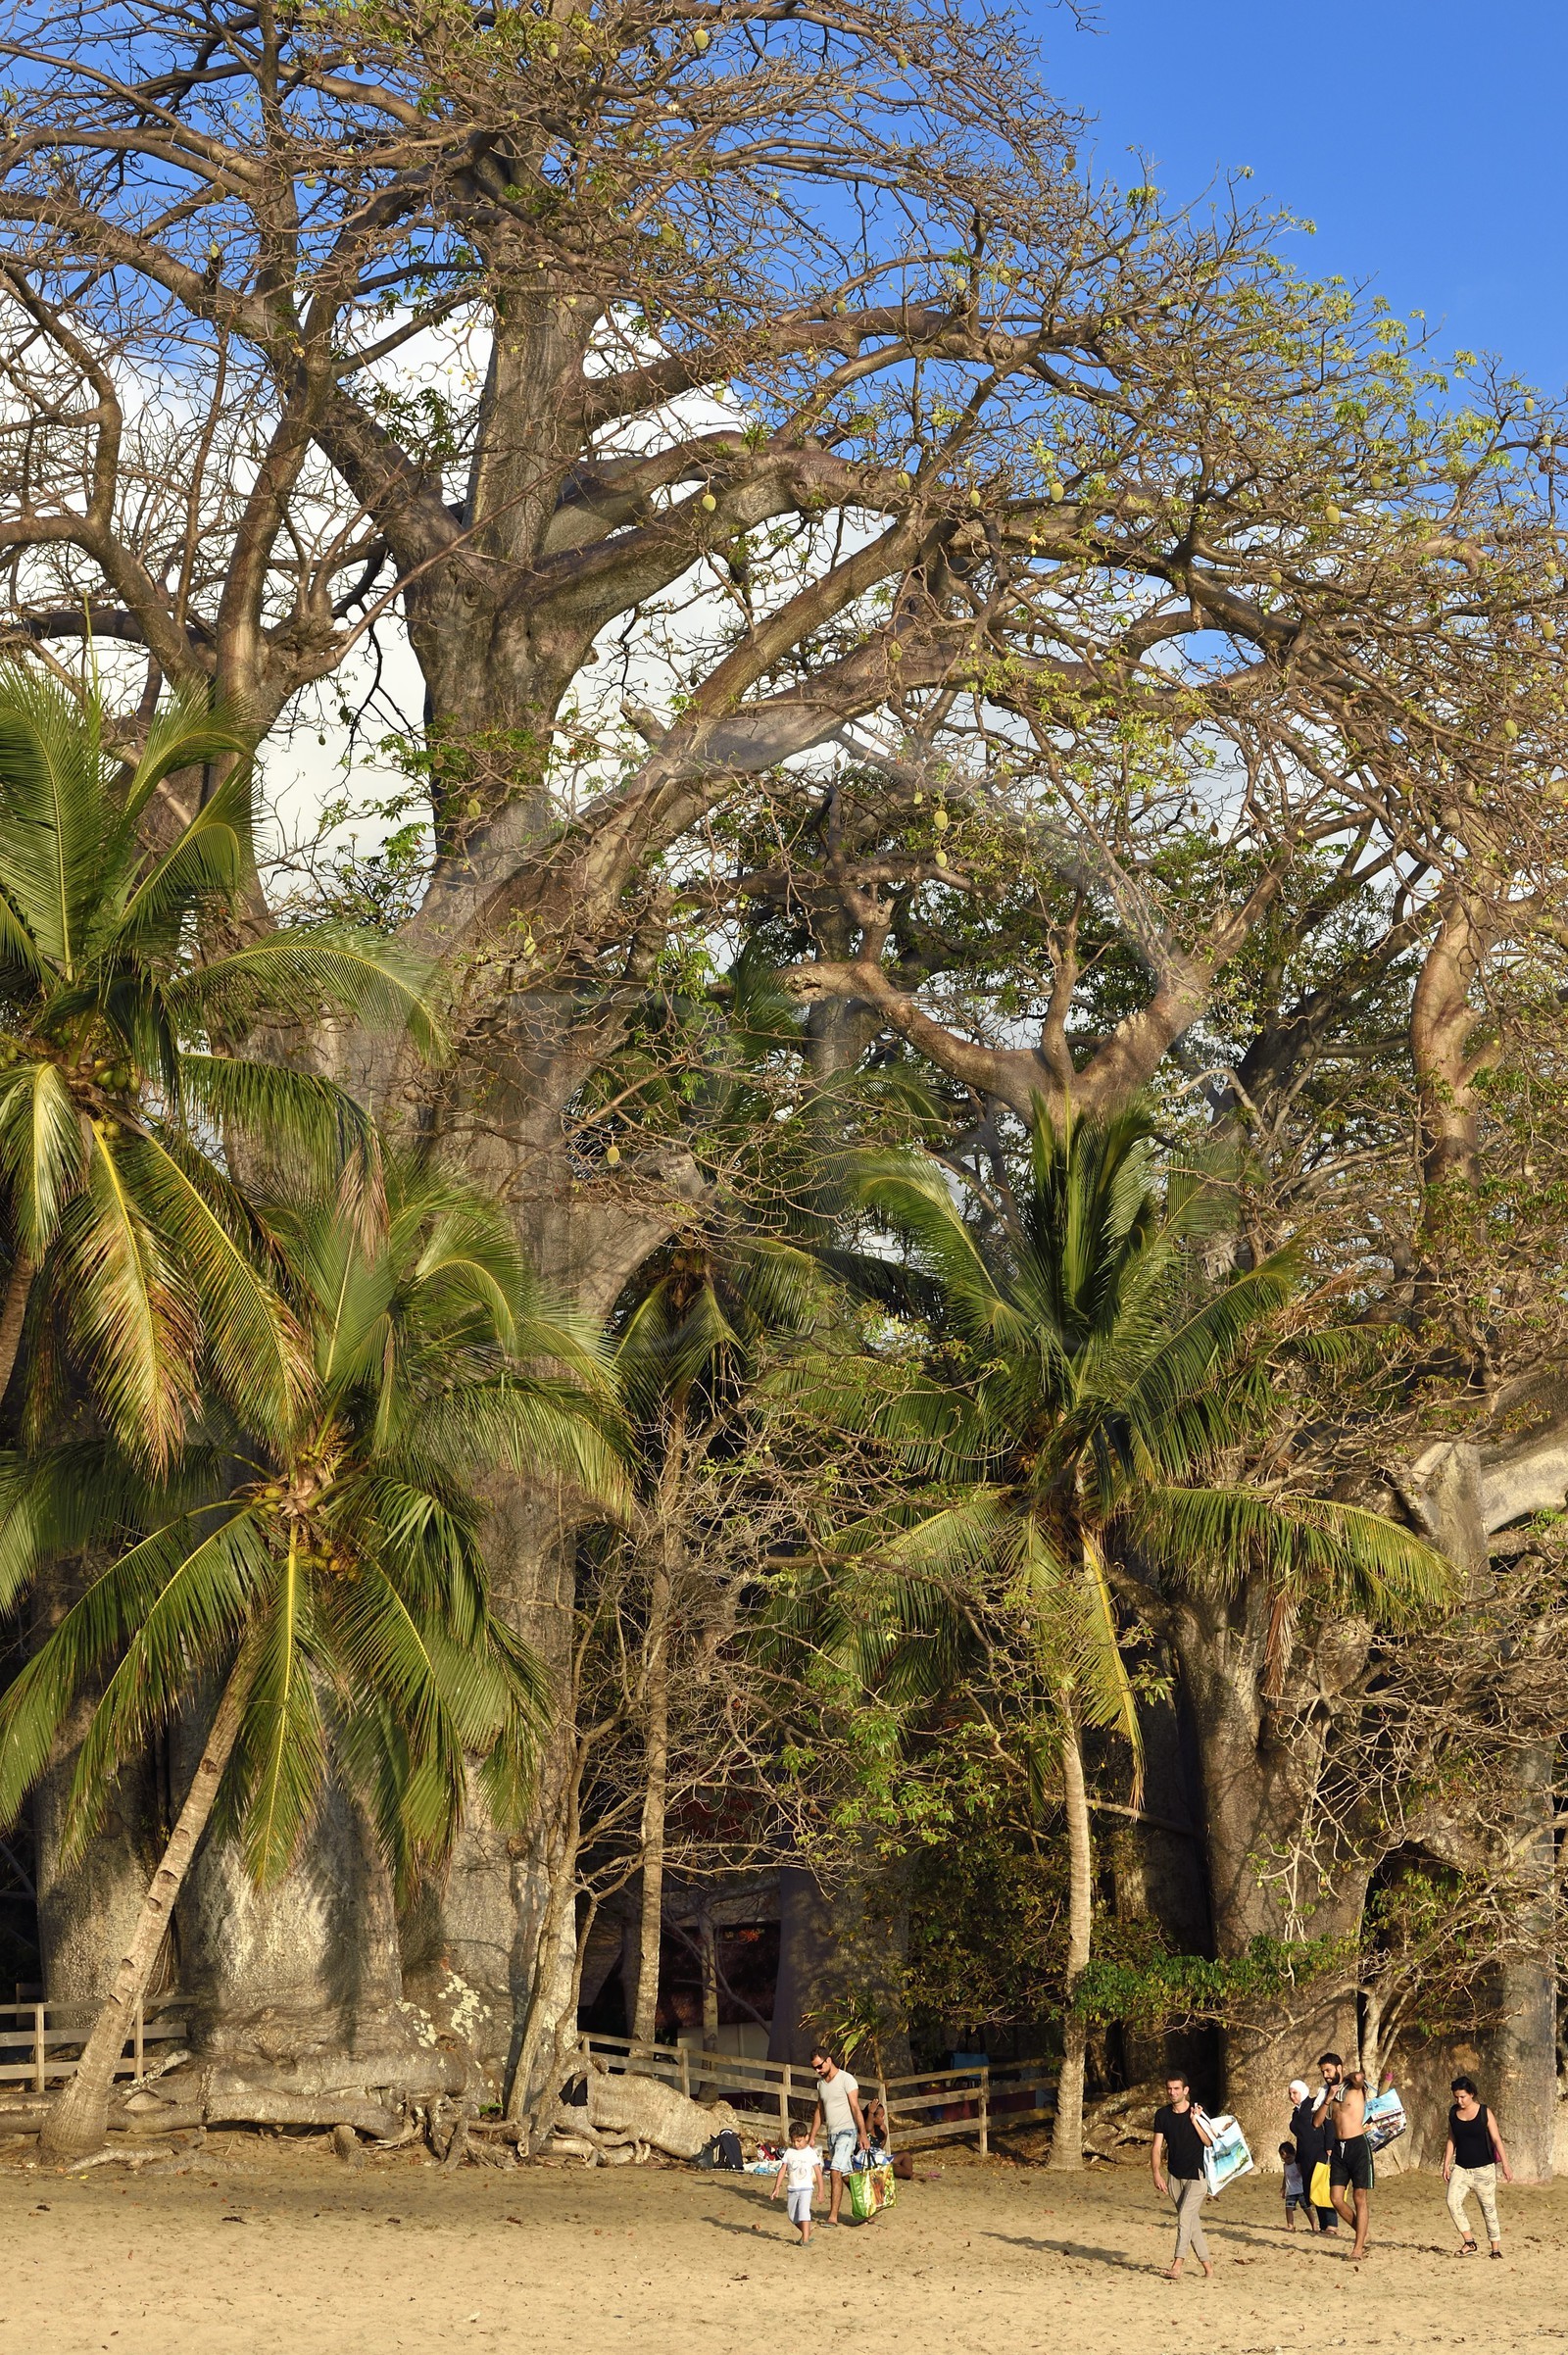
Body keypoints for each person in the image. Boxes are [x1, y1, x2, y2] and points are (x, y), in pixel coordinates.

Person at [1151, 2071, 1216, 2281]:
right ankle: (1208, 2267)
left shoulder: (1198, 2111)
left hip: (1197, 2176)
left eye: (1177, 2088)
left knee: (1184, 2218)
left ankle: (1177, 2264)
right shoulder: (1162, 2115)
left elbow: (1209, 2142)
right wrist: (1156, 2174)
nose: (1172, 2092)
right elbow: (1157, 2146)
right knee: (1192, 2222)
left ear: (1185, 2090)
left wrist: (1195, 2120)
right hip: (1174, 2176)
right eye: (1169, 2088)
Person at [1444, 2075, 1513, 2259]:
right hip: (1461, 2168)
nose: (1459, 2101)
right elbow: (1451, 2139)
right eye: (1456, 2097)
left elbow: (1497, 2139)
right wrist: (1446, 2164)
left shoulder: (1484, 2112)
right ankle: (1469, 2241)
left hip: (1484, 2169)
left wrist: (1506, 2165)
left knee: (1488, 2208)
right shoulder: (1453, 2113)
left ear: (1471, 2094)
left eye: (1462, 2097)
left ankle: (1495, 2249)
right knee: (1452, 2201)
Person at [808, 2044, 868, 2227]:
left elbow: (855, 2107)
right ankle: (867, 2208)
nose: (818, 2070)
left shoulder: (846, 2079)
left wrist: (863, 2134)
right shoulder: (820, 2084)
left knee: (835, 2170)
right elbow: (820, 2110)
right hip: (831, 2134)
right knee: (844, 2175)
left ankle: (832, 2217)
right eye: (815, 2068)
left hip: (847, 2132)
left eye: (820, 2066)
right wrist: (812, 2136)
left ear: (829, 2060)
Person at [1329, 2067, 1373, 2260]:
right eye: (1323, 2071)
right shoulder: (1330, 2091)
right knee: (1335, 2198)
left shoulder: (1354, 2088)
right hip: (1339, 2147)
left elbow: (1359, 2077)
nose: (1326, 2075)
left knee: (1359, 2197)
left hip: (1357, 2145)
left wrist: (1345, 2076)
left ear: (1338, 2068)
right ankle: (1363, 2235)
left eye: (1329, 2070)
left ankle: (1358, 2249)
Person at [1287, 2078, 1331, 2233]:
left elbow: (1328, 2123)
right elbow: (1300, 2138)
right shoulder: (1296, 2112)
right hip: (1304, 2155)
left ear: (1303, 2092)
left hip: (1319, 2151)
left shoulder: (1313, 2104)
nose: (1292, 2096)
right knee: (1311, 2190)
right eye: (1290, 2093)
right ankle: (1323, 2225)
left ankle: (1331, 2224)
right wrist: (1298, 2159)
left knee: (1321, 2187)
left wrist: (1329, 2146)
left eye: (1295, 2093)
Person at [771, 2121, 823, 2245]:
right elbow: (783, 2169)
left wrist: (821, 2190)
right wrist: (777, 2187)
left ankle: (805, 2240)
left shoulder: (810, 2153)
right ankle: (806, 2232)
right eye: (794, 2141)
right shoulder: (789, 2152)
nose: (796, 2144)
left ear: (806, 2137)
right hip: (792, 2188)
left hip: (806, 2188)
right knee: (792, 2215)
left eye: (799, 2140)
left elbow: (818, 2171)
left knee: (804, 2211)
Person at [1279, 2139, 1305, 2231]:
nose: (1287, 2160)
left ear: (1294, 2154)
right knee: (1288, 2208)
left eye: (1289, 2157)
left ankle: (1314, 2225)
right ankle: (1290, 2225)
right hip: (1290, 2191)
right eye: (1284, 2159)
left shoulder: (1297, 2164)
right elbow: (1285, 2176)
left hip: (1300, 2190)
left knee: (1306, 2208)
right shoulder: (1285, 2166)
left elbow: (1303, 2174)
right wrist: (1283, 2188)